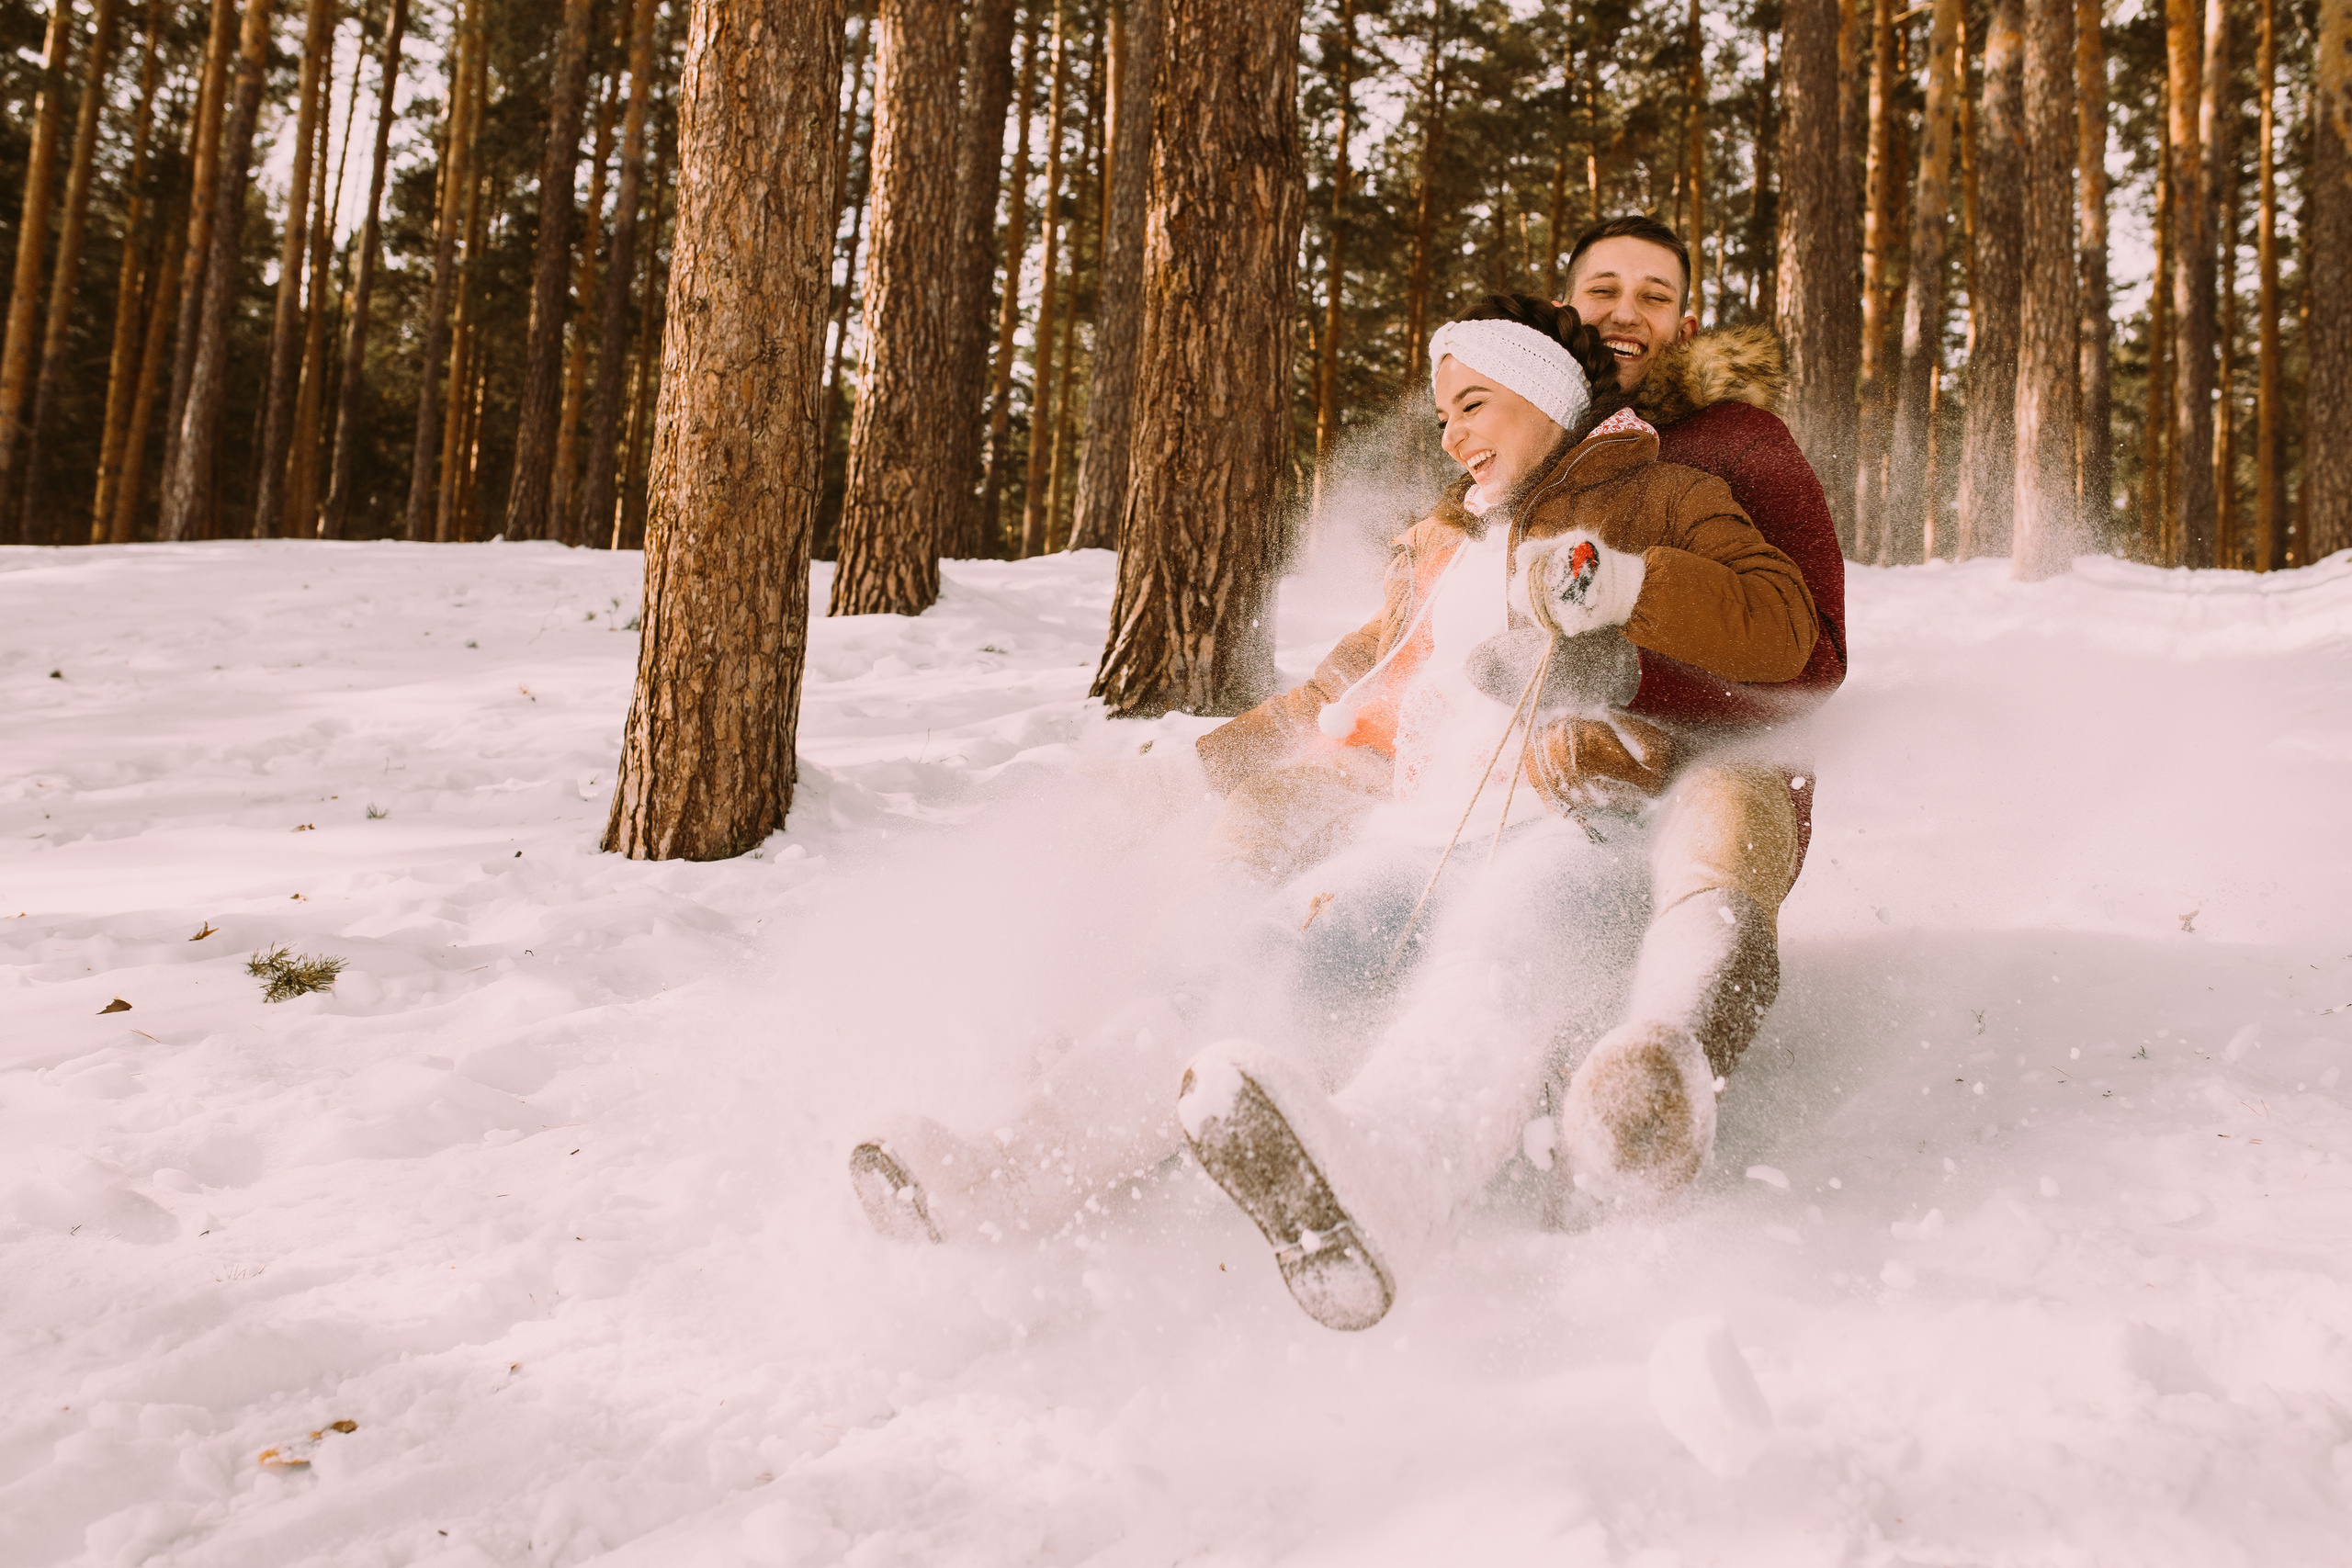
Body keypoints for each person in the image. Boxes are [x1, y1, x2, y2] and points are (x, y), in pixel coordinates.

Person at [854, 264, 1833, 1331]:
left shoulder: (1665, 494)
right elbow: (1337, 692)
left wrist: (1625, 586)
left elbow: (1780, 627)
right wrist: (1180, 778)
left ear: (1546, 396)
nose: (1452, 435)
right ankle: (1017, 1169)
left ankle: (1393, 1171)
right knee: (1262, 961)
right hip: (1409, 835)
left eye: (1473, 405)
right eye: (1444, 411)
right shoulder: (1441, 548)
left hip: (1579, 826)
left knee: (1496, 961)